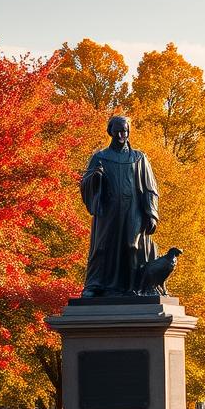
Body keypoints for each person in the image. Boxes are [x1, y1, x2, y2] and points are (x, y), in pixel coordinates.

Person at [79, 115, 162, 297]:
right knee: (102, 245)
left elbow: (150, 187)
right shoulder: (100, 157)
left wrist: (151, 213)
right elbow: (85, 182)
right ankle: (95, 285)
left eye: (124, 131)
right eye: (117, 131)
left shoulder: (139, 158)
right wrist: (95, 178)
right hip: (108, 209)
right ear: (111, 132)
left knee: (132, 246)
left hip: (133, 210)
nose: (121, 135)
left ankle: (133, 286)